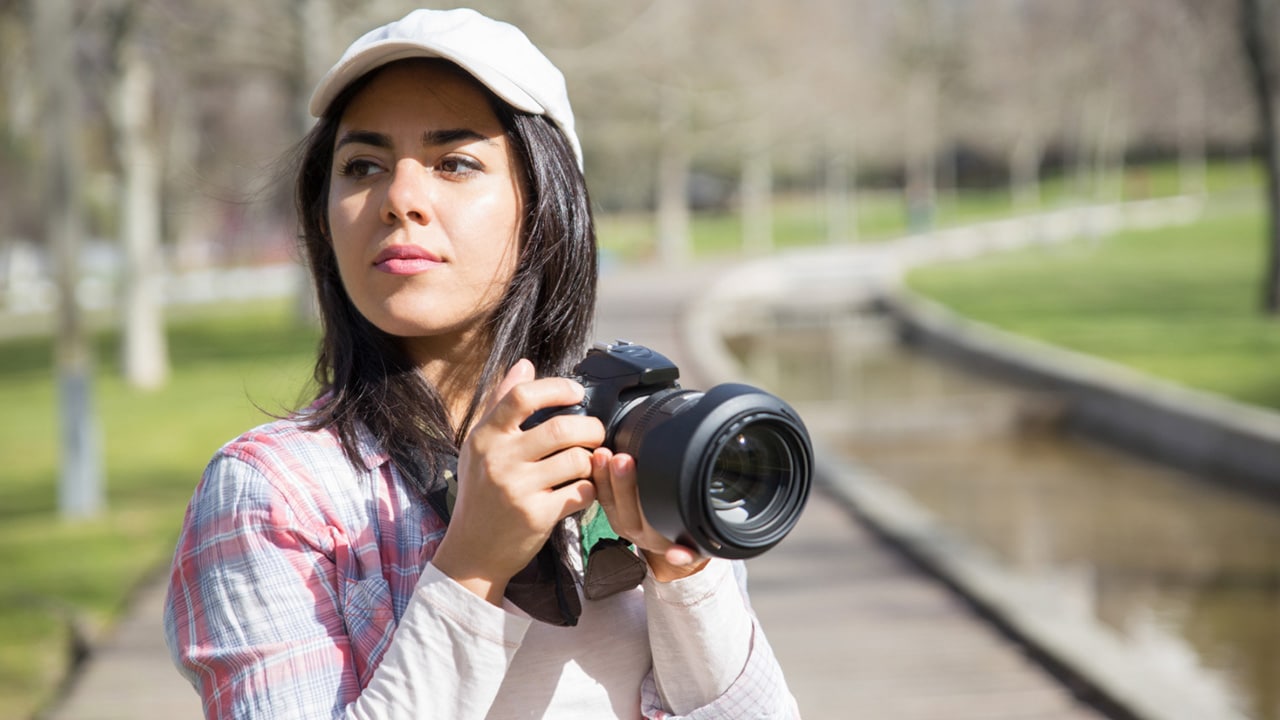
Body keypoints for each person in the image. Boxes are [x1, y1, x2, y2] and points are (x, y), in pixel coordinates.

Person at [163, 8, 798, 719]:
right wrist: (471, 567)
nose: (401, 199)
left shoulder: (644, 442)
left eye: (455, 163)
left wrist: (685, 573)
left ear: (544, 207)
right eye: (362, 166)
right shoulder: (273, 496)